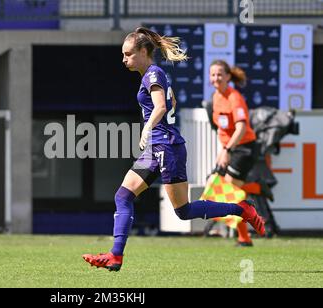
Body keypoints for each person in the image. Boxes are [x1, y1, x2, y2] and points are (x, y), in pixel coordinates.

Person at [82, 27, 265, 272]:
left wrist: (148, 129)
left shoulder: (153, 75)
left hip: (167, 148)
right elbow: (172, 102)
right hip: (156, 148)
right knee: (123, 196)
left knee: (184, 211)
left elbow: (160, 107)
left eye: (128, 54)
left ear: (145, 52)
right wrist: (158, 125)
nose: (124, 59)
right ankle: (116, 255)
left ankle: (241, 208)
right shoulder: (152, 74)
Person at [208, 60, 259, 247]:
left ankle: (244, 237)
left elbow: (241, 128)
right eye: (212, 74)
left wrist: (227, 150)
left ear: (228, 76)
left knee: (228, 191)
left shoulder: (234, 97)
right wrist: (223, 151)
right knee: (216, 185)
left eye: (220, 74)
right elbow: (223, 129)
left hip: (244, 148)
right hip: (230, 149)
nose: (216, 78)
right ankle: (244, 237)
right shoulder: (215, 96)